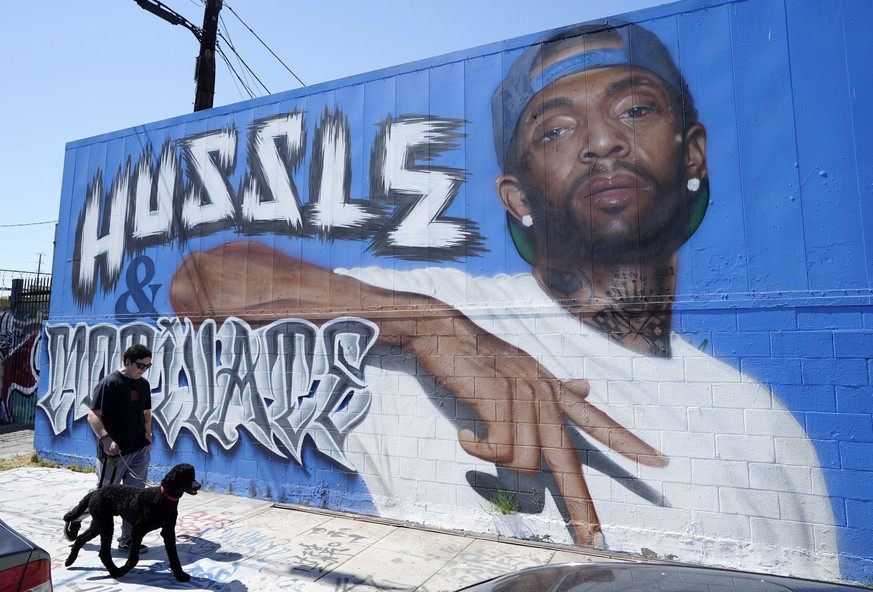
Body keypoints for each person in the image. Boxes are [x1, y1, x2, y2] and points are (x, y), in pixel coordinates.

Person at [170, 21, 839, 579]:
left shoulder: (764, 425)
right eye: (554, 129)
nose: (602, 142)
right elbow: (201, 281)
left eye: (634, 109)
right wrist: (431, 328)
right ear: (516, 196)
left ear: (692, 152)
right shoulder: (437, 302)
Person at [64, 343, 153, 553]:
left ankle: (128, 540)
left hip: (139, 450)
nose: (143, 370)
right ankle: (75, 516)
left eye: (147, 367)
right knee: (103, 496)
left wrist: (148, 439)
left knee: (135, 498)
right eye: (140, 365)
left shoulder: (143, 384)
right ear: (128, 361)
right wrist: (105, 438)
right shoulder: (110, 383)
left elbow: (146, 414)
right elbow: (92, 415)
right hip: (114, 453)